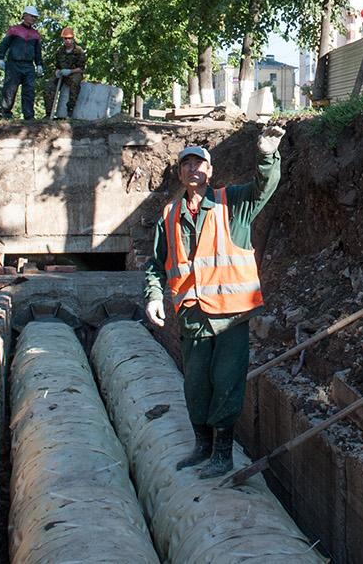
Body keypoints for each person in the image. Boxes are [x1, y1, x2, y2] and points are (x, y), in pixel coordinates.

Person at [143, 125, 285, 479]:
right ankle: (202, 446)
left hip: (230, 316)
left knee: (227, 382)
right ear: (180, 173)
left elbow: (263, 187)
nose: (194, 169)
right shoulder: (169, 214)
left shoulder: (231, 203)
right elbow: (155, 264)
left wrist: (267, 155)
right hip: (192, 315)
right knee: (196, 384)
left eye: (200, 163)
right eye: (186, 164)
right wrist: (155, 296)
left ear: (210, 171)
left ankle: (223, 453)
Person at [0, 7, 43, 120]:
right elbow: (4, 44)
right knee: (10, 89)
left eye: (35, 17)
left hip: (28, 66)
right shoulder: (14, 30)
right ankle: (6, 113)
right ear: (25, 15)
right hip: (13, 64)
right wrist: (1, 58)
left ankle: (29, 116)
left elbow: (38, 52)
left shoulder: (35, 34)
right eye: (32, 16)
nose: (34, 19)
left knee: (29, 91)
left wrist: (39, 64)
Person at [44, 26, 87, 119]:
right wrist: (58, 72)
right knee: (49, 85)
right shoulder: (60, 51)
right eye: (65, 38)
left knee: (75, 83)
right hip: (62, 74)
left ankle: (69, 111)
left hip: (74, 73)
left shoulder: (79, 51)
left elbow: (82, 68)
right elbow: (57, 66)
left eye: (69, 38)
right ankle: (49, 113)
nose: (67, 40)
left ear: (73, 38)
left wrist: (70, 71)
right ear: (63, 39)